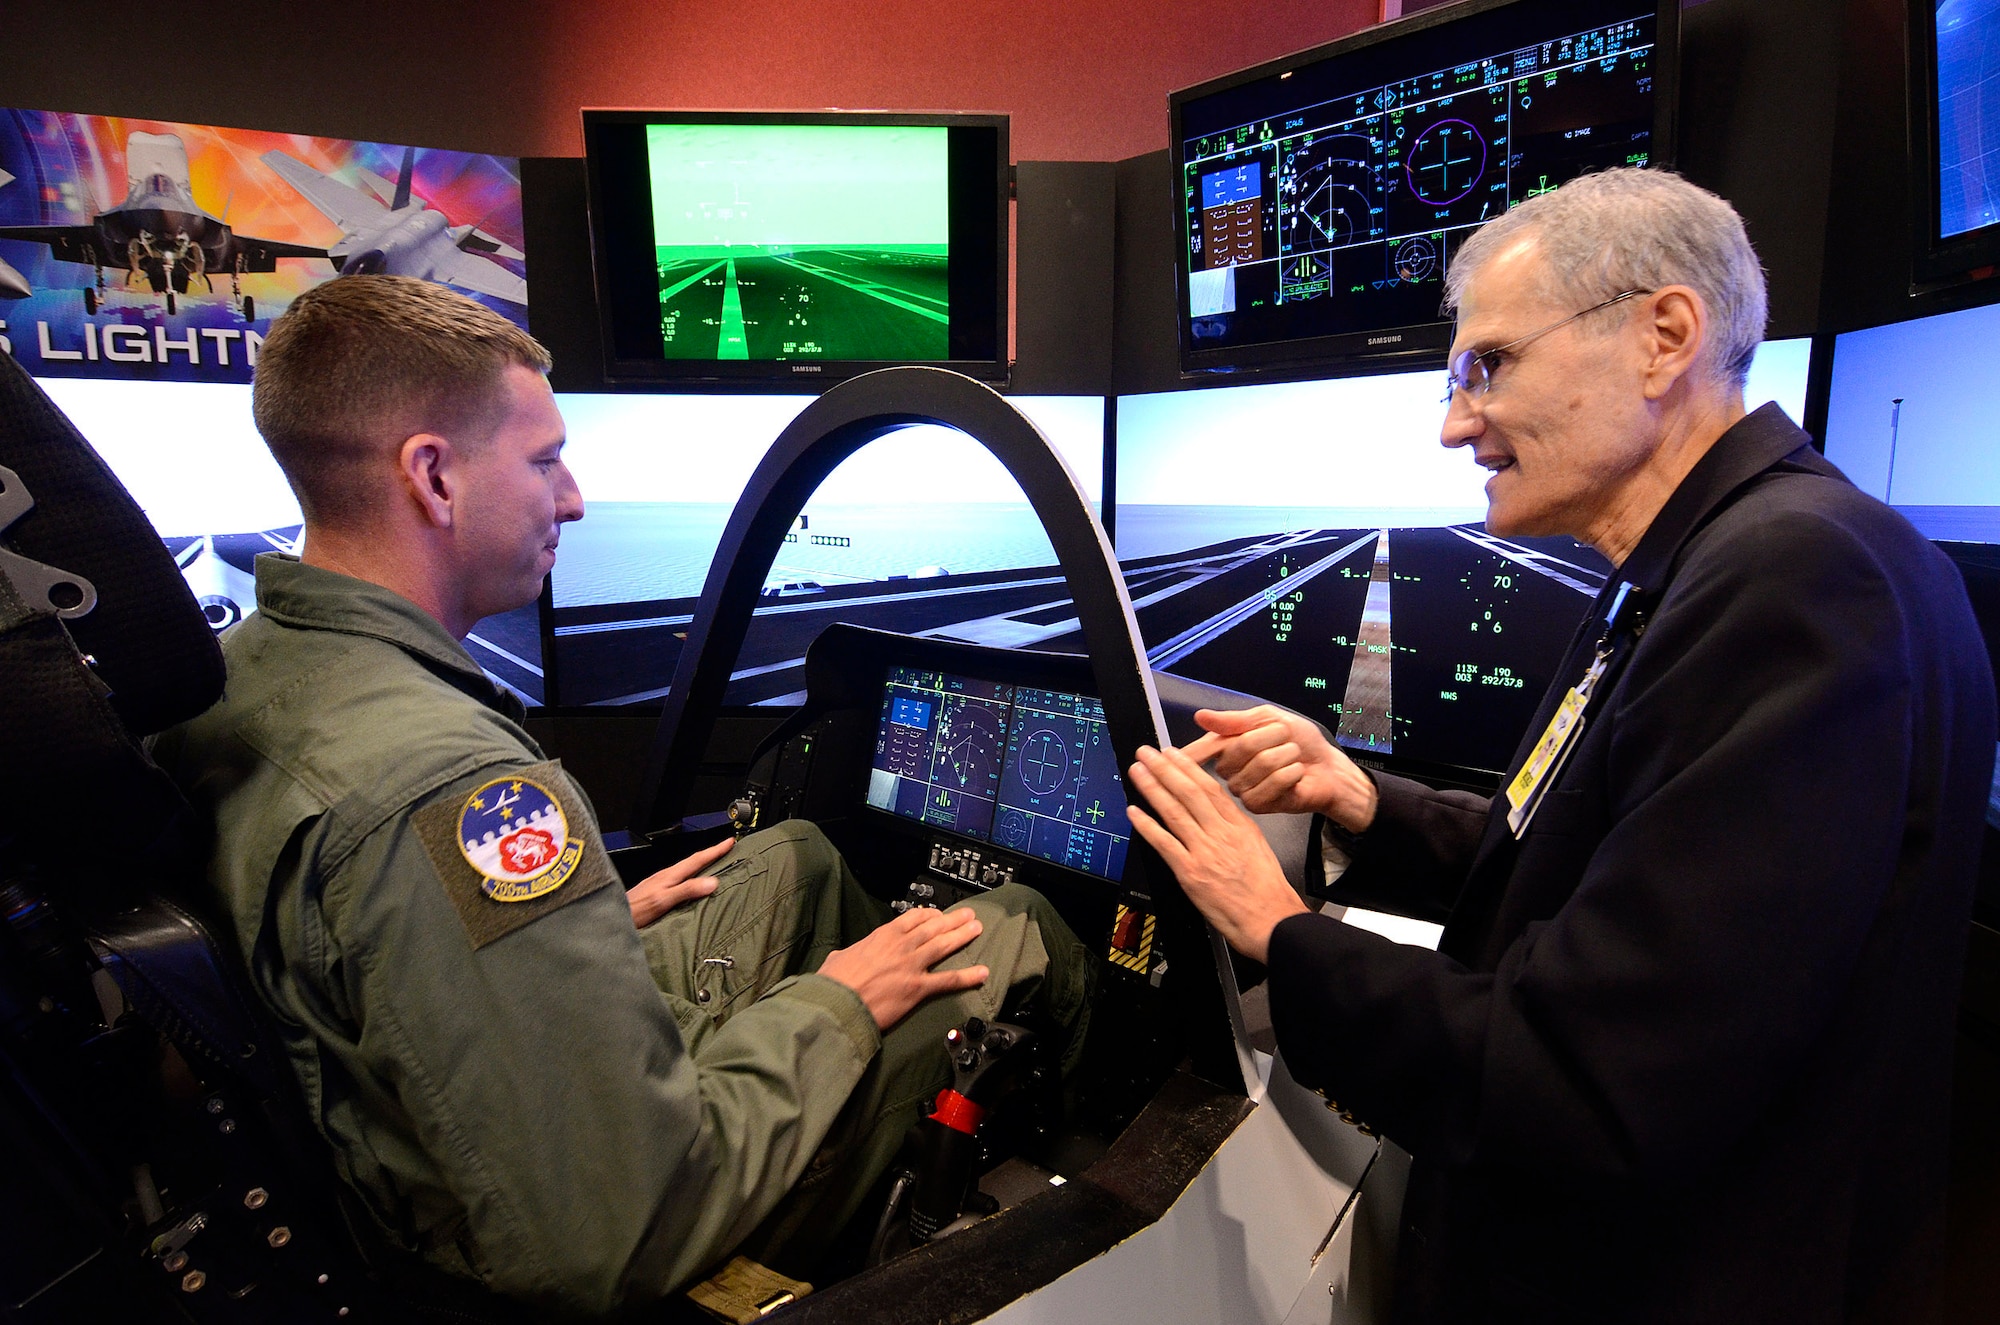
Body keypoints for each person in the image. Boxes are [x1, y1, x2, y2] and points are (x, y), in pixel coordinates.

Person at [1125, 169, 1994, 1324]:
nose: (1453, 422)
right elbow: (1606, 858)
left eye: (1487, 365)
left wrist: (1277, 931)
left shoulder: (1794, 583)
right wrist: (1362, 803)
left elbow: (1583, 1076)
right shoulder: (1708, 560)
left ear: (1662, 335)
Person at [151, 275, 1090, 1315]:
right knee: (1008, 925)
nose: (572, 497)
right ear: (432, 476)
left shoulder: (243, 672)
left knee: (800, 855)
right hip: (566, 1232)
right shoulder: (449, 783)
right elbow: (621, 1221)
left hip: (411, 1106)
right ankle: (1095, 1191)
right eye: (545, 460)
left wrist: (580, 918)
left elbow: (366, 942)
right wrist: (837, 1003)